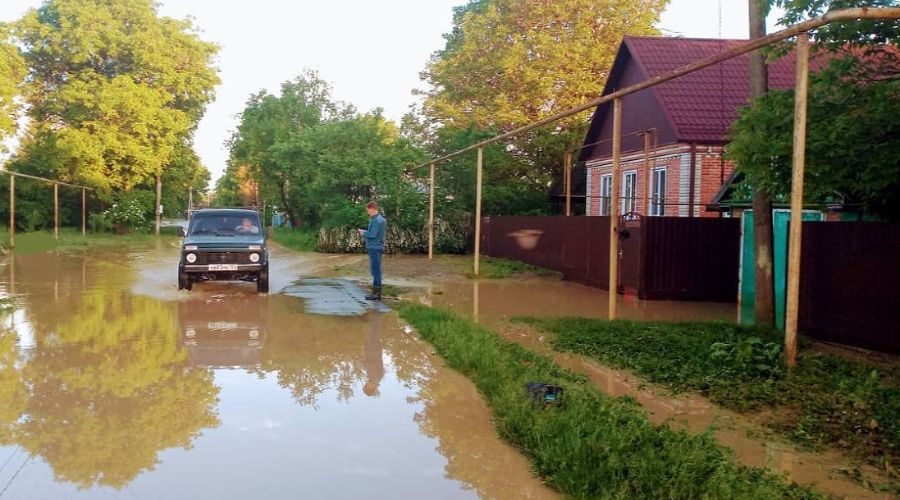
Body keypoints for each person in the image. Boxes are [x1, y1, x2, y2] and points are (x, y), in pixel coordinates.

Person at [357, 200, 386, 301]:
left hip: (374, 247)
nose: (368, 212)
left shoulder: (376, 220)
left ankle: (376, 294)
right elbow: (375, 233)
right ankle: (376, 293)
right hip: (377, 246)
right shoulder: (380, 219)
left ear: (373, 209)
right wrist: (366, 231)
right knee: (375, 270)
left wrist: (363, 233)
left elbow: (372, 235)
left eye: (368, 210)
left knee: (375, 270)